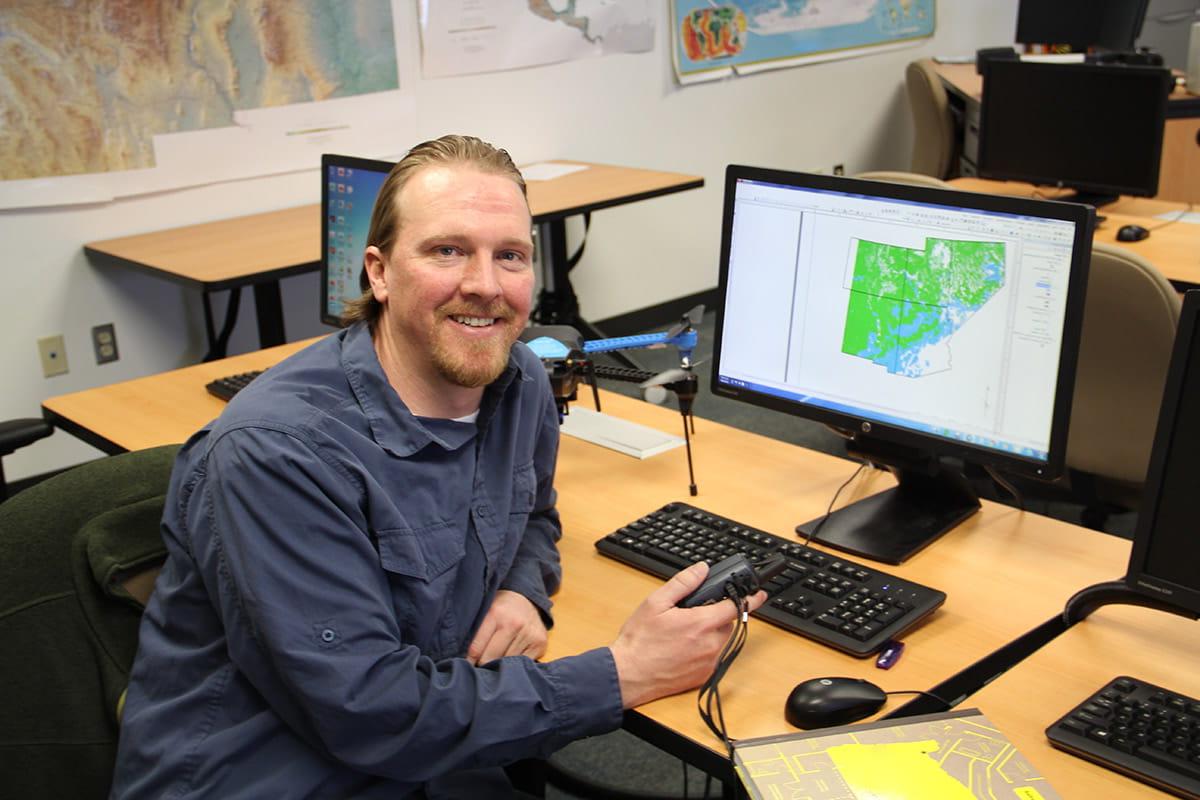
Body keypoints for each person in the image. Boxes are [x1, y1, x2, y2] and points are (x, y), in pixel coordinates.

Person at [110, 134, 765, 798]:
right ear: (379, 272)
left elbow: (533, 516)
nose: (484, 285)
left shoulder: (519, 385)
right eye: (447, 251)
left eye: (509, 256)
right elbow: (371, 713)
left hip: (429, 751)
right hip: (270, 774)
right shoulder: (277, 453)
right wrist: (625, 672)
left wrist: (520, 588)